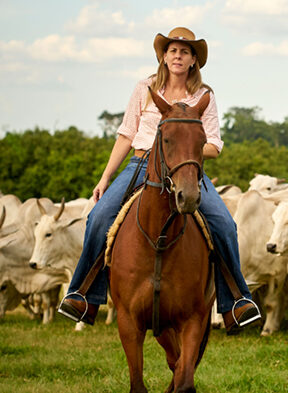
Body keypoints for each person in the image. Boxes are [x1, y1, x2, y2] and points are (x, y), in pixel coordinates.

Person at [58, 27, 261, 335]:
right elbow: (127, 133)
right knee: (99, 217)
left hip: (186, 169)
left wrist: (183, 149)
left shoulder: (204, 96)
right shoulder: (145, 87)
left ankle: (237, 301)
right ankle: (83, 295)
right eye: (173, 51)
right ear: (164, 57)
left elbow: (215, 146)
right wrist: (105, 176)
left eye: (185, 51)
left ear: (194, 60)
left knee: (224, 224)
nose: (178, 56)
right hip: (141, 164)